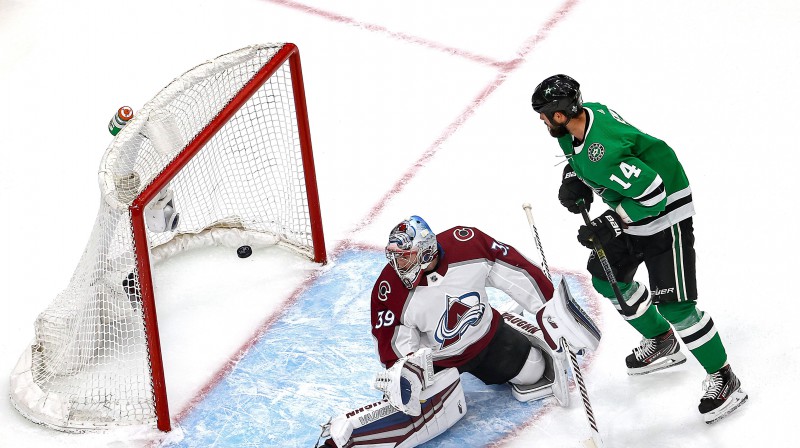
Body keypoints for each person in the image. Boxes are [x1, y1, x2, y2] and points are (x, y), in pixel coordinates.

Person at [530, 74, 747, 424]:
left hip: (664, 218)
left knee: (677, 307)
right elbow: (582, 156)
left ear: (559, 113)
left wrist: (610, 223)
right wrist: (574, 178)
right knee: (605, 277)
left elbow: (653, 194)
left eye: (543, 113)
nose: (540, 120)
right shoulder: (582, 120)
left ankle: (725, 378)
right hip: (633, 211)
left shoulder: (606, 152)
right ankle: (662, 340)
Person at [315, 215, 600, 447]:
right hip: (438, 362)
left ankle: (512, 329)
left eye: (405, 257)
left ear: (426, 251)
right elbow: (393, 343)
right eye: (395, 257)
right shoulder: (389, 289)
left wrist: (550, 312)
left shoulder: (469, 244)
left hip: (487, 338)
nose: (397, 265)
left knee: (535, 372)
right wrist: (407, 372)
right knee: (420, 414)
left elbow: (517, 273)